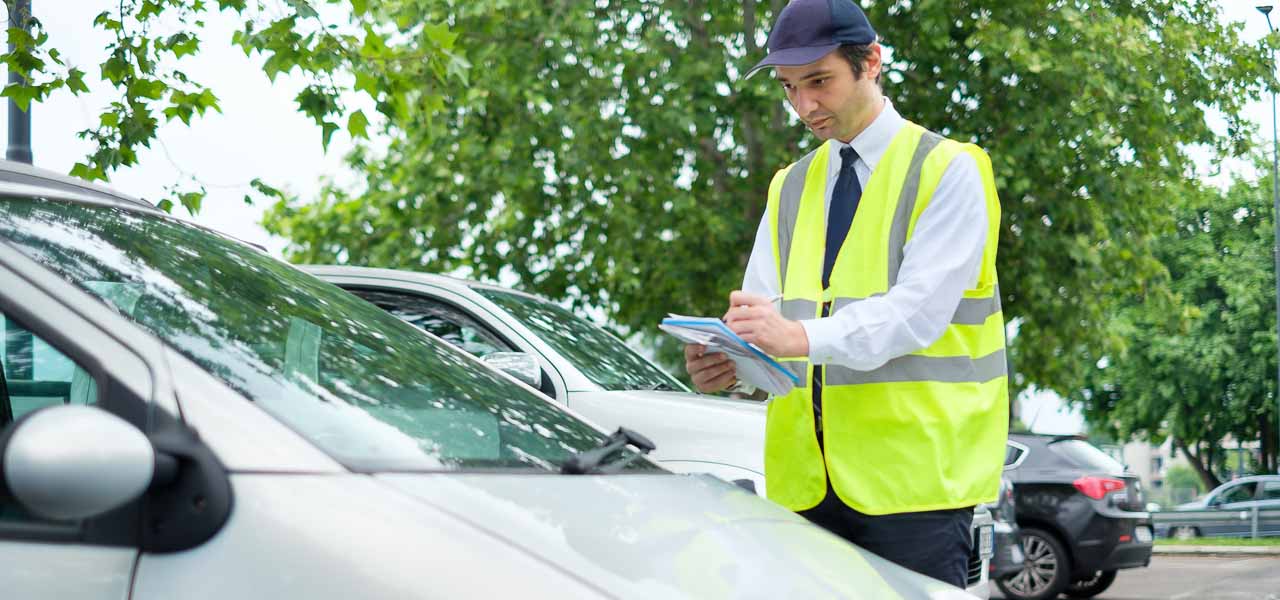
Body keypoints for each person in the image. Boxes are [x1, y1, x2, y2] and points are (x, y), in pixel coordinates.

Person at [683, 0, 1008, 589]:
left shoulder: (950, 170)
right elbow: (768, 327)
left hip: (916, 490)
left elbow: (916, 315)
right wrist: (732, 366)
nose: (804, 106)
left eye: (819, 82)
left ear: (872, 63)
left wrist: (796, 336)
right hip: (804, 487)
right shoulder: (790, 186)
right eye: (788, 88)